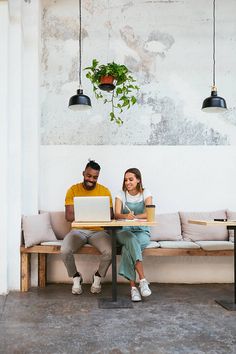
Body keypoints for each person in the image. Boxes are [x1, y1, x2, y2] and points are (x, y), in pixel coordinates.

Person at [61, 160, 113, 295]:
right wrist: (94, 212)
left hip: (98, 232)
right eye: (89, 176)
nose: (91, 179)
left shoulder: (104, 191)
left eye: (95, 177)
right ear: (83, 173)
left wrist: (85, 212)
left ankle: (98, 277)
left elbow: (110, 215)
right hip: (78, 231)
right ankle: (75, 277)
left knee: (110, 251)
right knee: (65, 250)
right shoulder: (73, 190)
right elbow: (69, 216)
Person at [114, 168, 152, 302]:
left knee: (126, 249)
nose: (127, 182)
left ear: (138, 180)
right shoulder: (120, 194)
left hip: (142, 231)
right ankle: (142, 280)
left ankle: (133, 289)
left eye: (131, 179)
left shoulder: (146, 193)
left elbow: (149, 213)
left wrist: (134, 216)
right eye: (125, 180)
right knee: (130, 239)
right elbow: (116, 214)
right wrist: (126, 216)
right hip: (124, 231)